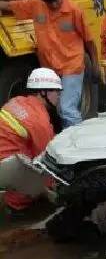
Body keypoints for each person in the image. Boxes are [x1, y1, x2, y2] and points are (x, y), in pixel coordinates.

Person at [0, 0, 98, 128]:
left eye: (55, 0)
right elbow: (10, 6)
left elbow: (89, 41)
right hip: (50, 68)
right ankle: (68, 141)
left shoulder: (74, 11)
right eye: (49, 2)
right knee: (57, 109)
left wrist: (95, 65)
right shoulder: (35, 4)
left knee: (66, 108)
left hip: (72, 65)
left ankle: (79, 143)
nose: (53, 5)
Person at [0, 68, 61, 211]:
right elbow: (46, 158)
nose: (59, 97)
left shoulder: (17, 101)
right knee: (43, 173)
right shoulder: (38, 121)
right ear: (44, 92)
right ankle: (19, 207)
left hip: (5, 162)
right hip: (7, 167)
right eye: (57, 92)